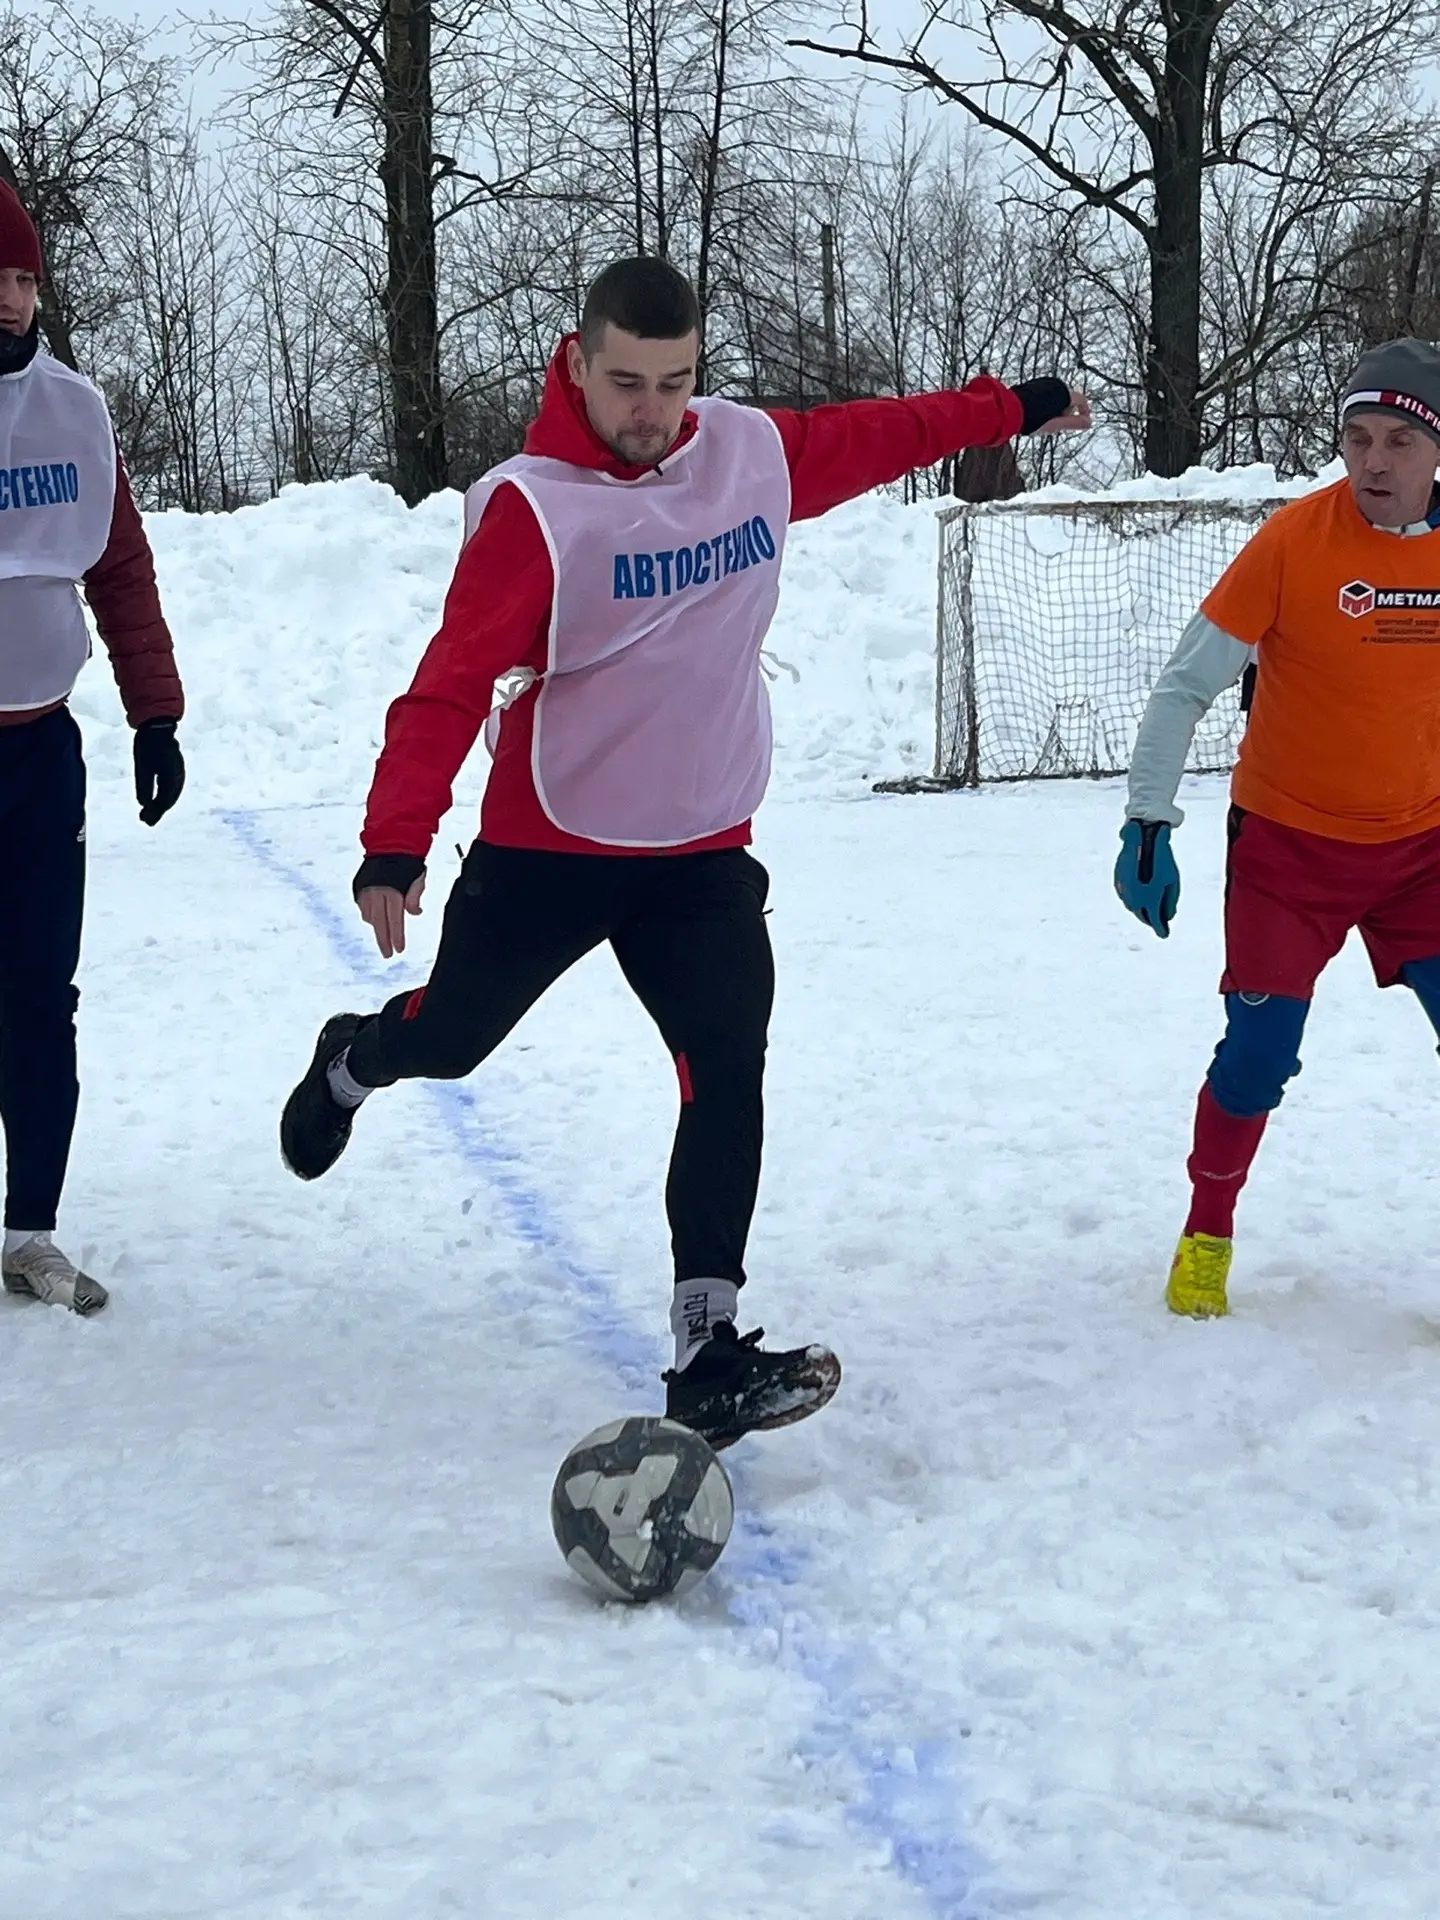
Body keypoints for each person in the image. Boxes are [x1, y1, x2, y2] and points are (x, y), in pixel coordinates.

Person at [281, 254, 1090, 1446]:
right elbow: (449, 682)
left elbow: (888, 433)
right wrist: (396, 841)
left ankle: (706, 1347)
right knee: (450, 1040)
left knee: (727, 1065)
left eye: (675, 382)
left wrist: (1009, 407)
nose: (653, 410)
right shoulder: (533, 510)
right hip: (552, 844)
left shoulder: (746, 455)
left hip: (703, 850)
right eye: (626, 383)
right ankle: (353, 1060)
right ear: (577, 364)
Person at [1116, 336, 1440, 1319]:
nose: (1374, 460)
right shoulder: (1294, 543)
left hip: (1421, 855)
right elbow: (1184, 687)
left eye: (1398, 441)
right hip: (1288, 851)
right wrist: (1147, 822)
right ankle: (1207, 1233)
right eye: (1357, 437)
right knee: (1258, 1058)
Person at [0, 182, 186, 1315]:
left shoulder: (73, 412)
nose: (13, 298)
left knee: (38, 994)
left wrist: (154, 713)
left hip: (38, 755)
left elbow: (118, 567)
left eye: (25, 277)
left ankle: (30, 1227)